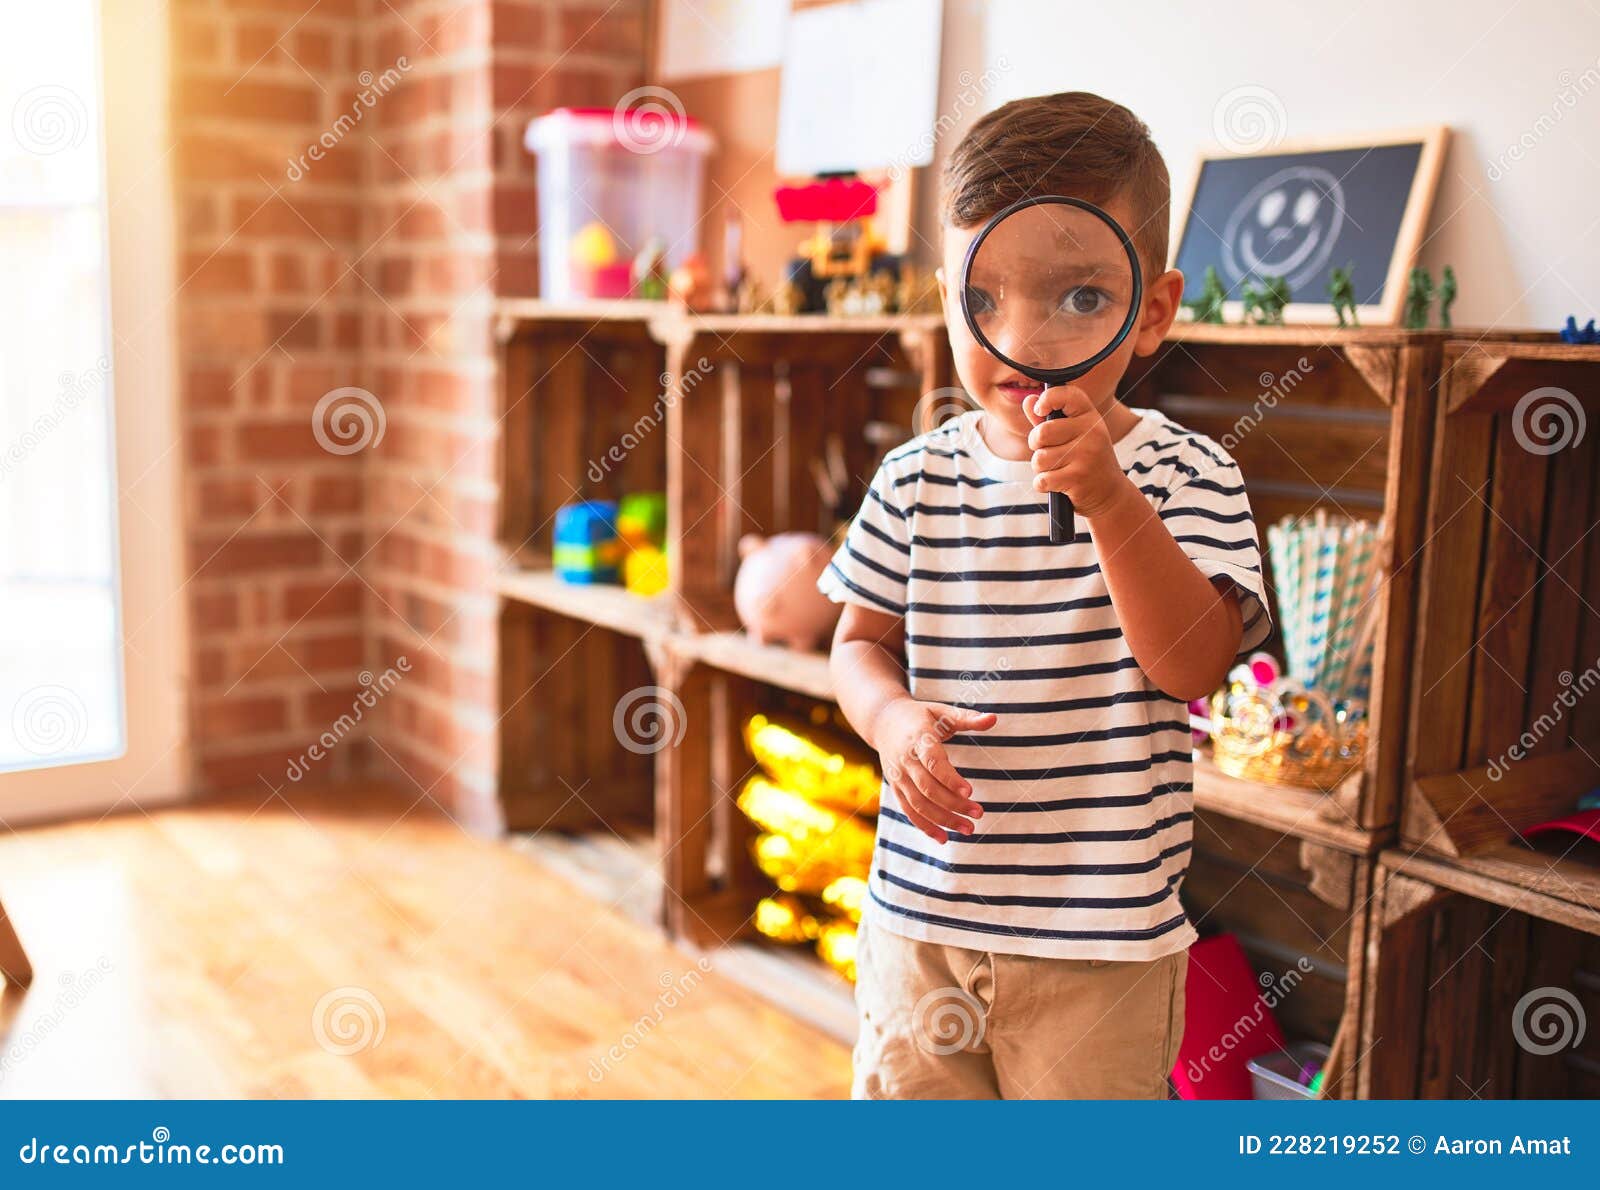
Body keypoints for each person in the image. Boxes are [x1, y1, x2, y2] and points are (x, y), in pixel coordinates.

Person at [817, 91, 1272, 1099]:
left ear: (1150, 310)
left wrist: (1110, 499)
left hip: (1100, 949)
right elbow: (857, 644)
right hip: (919, 923)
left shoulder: (1192, 476)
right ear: (945, 300)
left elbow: (1191, 663)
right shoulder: (914, 477)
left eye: (1075, 298)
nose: (1023, 335)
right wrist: (890, 721)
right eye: (984, 302)